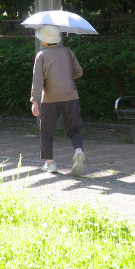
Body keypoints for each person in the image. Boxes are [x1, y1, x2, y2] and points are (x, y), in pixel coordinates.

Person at [30, 24, 86, 176]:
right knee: (74, 128)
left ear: (43, 41)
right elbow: (79, 72)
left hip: (50, 98)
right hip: (71, 95)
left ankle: (50, 163)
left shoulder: (41, 56)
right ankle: (78, 151)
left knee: (46, 131)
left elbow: (38, 80)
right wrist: (66, 76)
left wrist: (34, 100)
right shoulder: (68, 51)